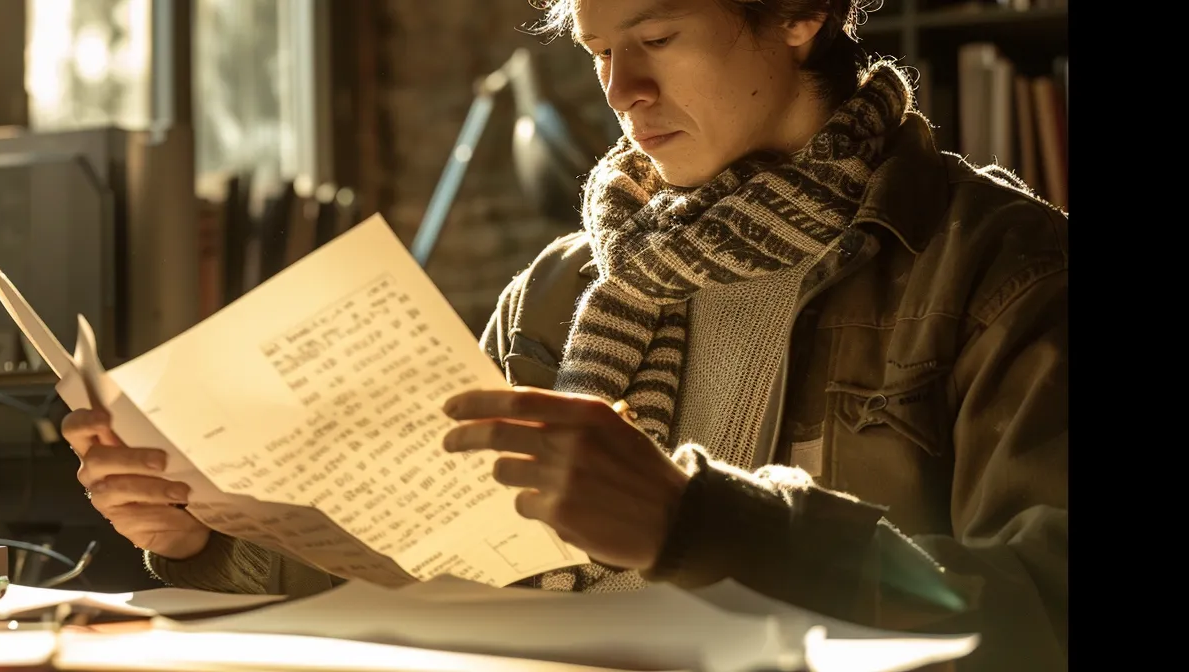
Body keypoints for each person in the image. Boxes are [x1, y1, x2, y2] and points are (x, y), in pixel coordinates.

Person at [62, 0, 1067, 669]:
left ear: (800, 12)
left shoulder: (1000, 272)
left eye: (656, 36)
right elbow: (436, 566)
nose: (620, 91)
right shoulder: (561, 294)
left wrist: (702, 524)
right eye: (597, 52)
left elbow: (1045, 607)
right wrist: (198, 534)